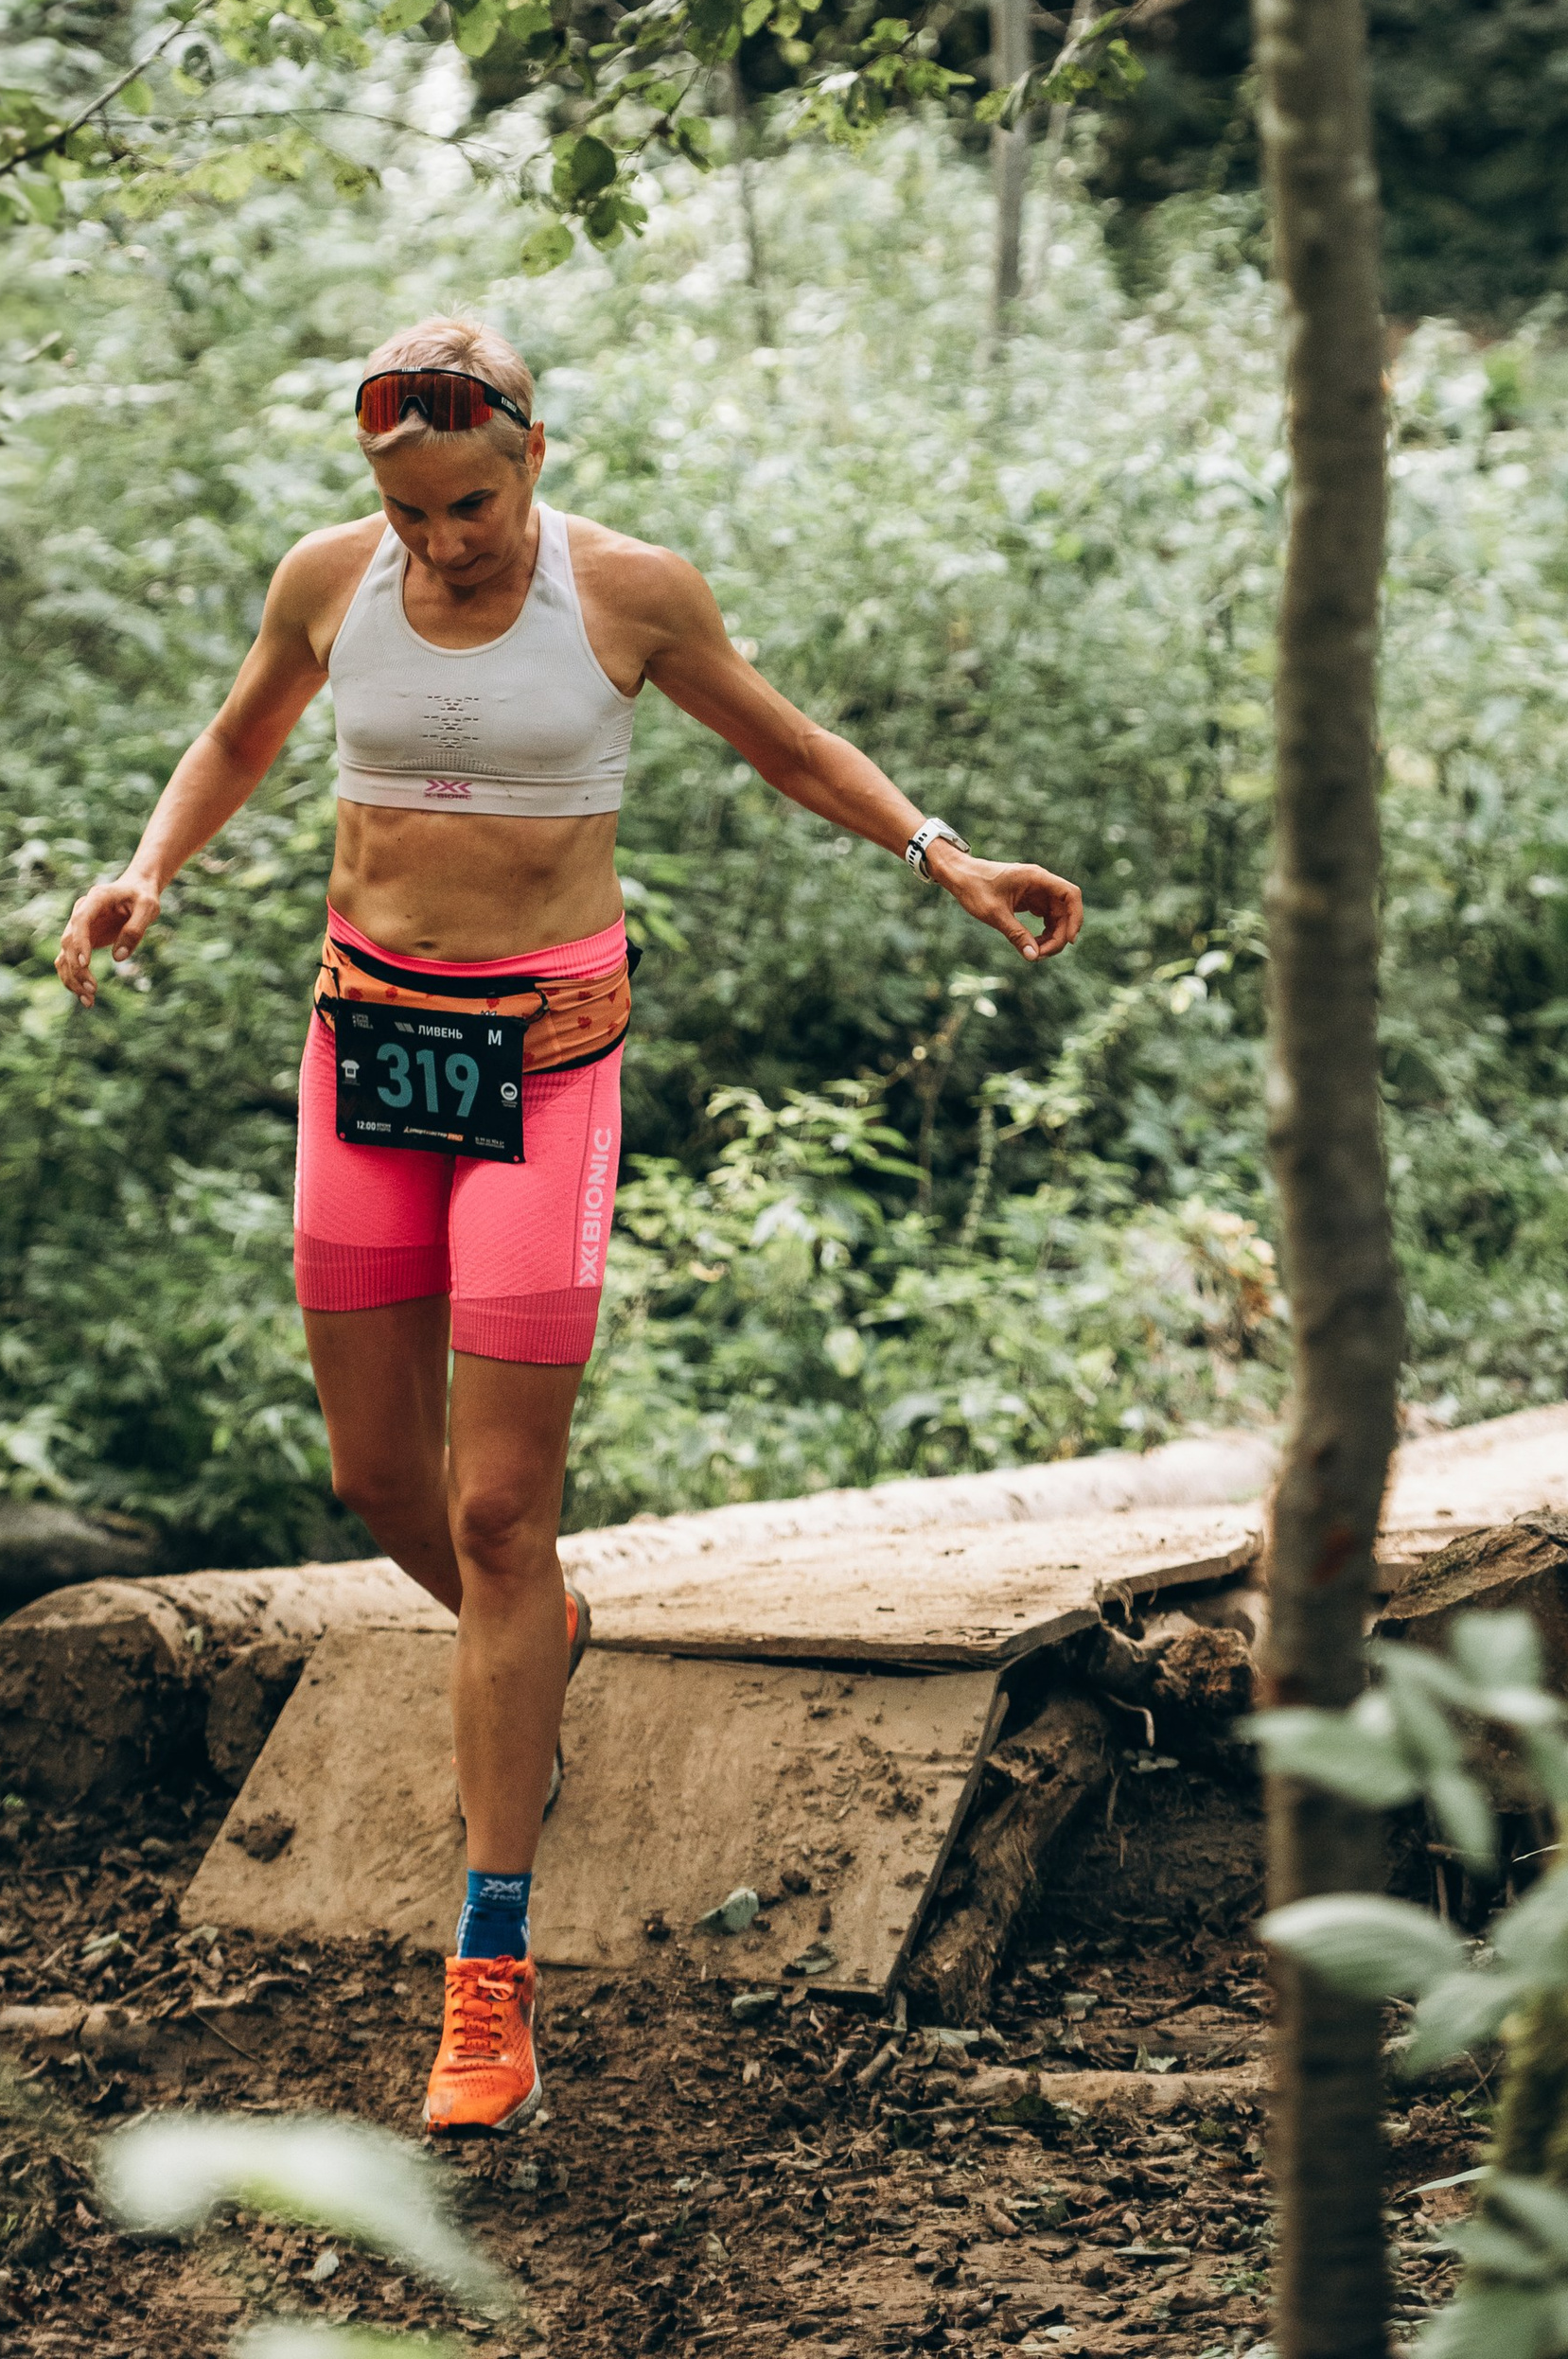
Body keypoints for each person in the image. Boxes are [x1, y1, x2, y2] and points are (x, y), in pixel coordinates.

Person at [54, 313, 1083, 2134]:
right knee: (383, 1487)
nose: (441, 542)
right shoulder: (327, 583)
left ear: (534, 452)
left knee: (499, 1505)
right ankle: (531, 1642)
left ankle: (490, 1972)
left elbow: (791, 744)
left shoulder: (626, 597)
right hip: (368, 1052)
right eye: (409, 510)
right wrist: (150, 865)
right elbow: (236, 737)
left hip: (545, 1067)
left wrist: (951, 858)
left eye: (470, 502)